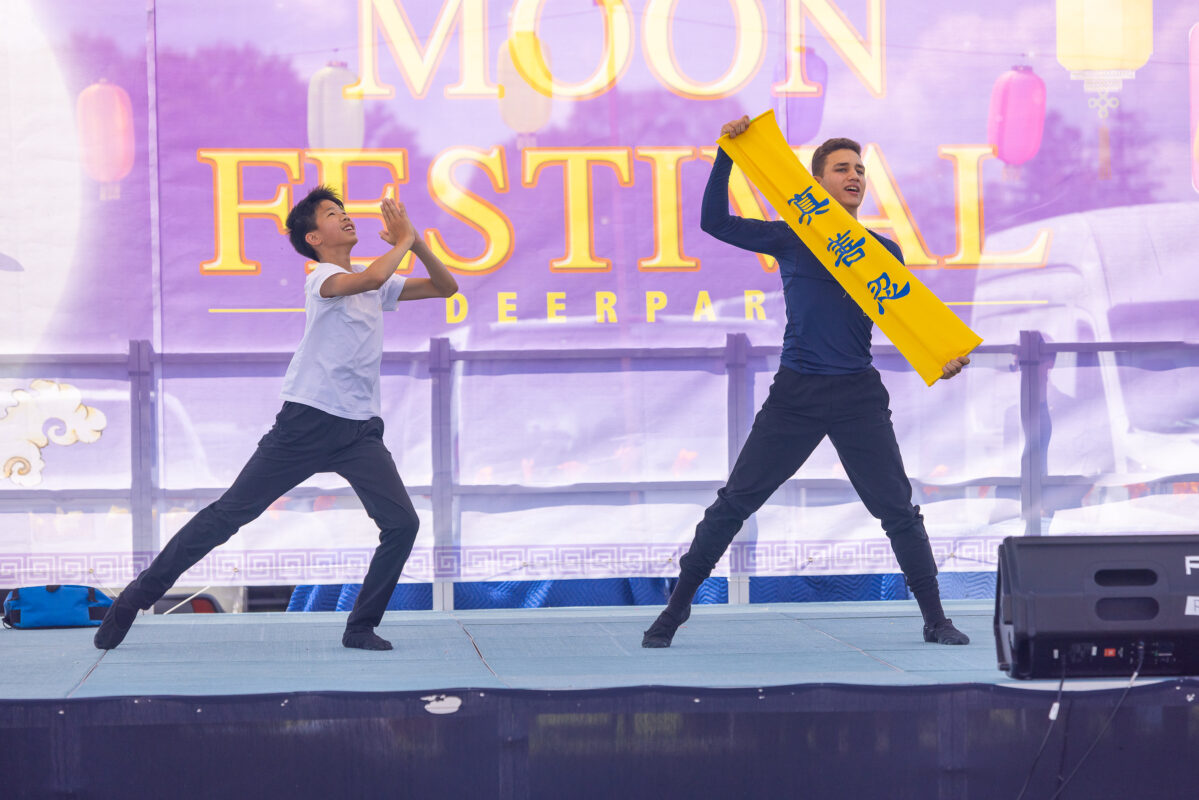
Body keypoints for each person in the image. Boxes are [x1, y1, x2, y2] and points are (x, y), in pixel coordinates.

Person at [642, 117, 971, 649]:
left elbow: (905, 321)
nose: (855, 176)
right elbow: (712, 222)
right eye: (842, 168)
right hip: (796, 395)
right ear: (816, 184)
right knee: (734, 503)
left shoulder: (882, 251)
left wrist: (942, 357)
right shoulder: (790, 238)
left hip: (857, 396)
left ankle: (936, 619)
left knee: (898, 511)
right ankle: (673, 613)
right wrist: (727, 152)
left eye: (860, 169)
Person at [95, 186, 459, 651]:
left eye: (345, 211)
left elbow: (446, 288)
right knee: (228, 516)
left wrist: (417, 242)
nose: (346, 218)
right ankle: (133, 599)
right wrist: (403, 242)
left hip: (359, 430)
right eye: (332, 214)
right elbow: (365, 280)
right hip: (306, 423)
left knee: (402, 524)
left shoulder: (378, 284)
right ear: (314, 237)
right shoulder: (322, 277)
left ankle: (360, 627)